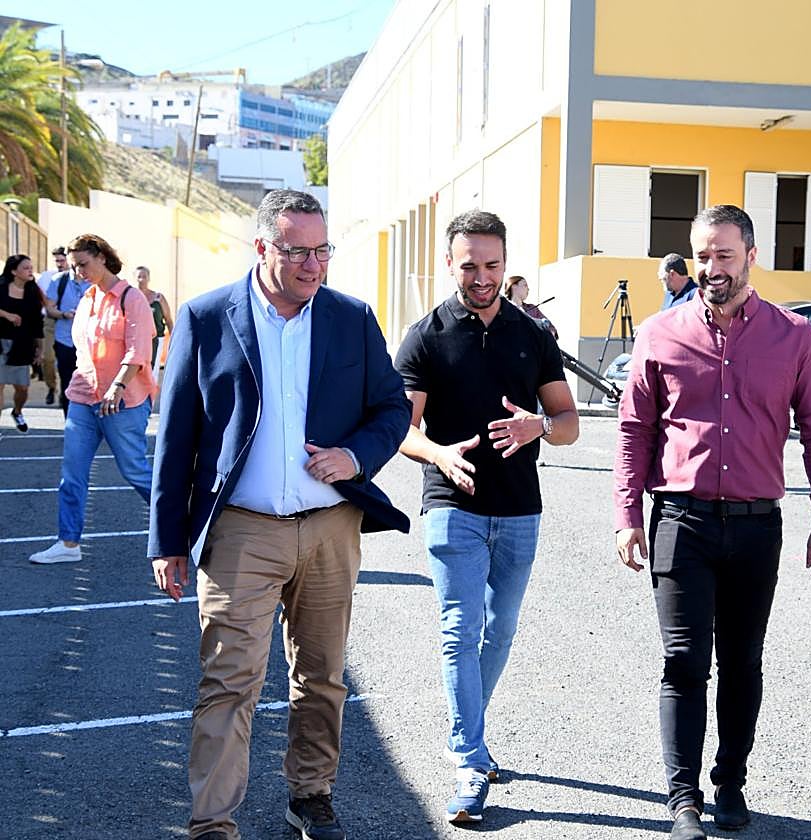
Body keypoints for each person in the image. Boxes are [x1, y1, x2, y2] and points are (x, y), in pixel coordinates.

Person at [148, 189, 413, 840]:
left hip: (330, 528)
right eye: (298, 251)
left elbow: (391, 409)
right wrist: (167, 539)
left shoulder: (351, 318)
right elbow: (176, 432)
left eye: (322, 250)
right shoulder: (207, 317)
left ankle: (311, 793)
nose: (313, 264)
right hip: (241, 529)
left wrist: (356, 456)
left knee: (322, 676)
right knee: (228, 680)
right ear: (263, 247)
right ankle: (212, 822)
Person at [614, 205, 811, 840]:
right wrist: (627, 513)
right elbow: (635, 430)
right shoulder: (660, 333)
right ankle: (682, 798)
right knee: (684, 659)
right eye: (702, 256)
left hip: (755, 526)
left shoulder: (793, 335)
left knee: (743, 660)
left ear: (750, 254)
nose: (712, 269)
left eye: (724, 256)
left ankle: (730, 782)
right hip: (680, 520)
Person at [394, 209, 579, 825]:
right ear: (450, 263)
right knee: (457, 632)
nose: (481, 276)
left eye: (492, 265)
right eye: (469, 265)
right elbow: (402, 427)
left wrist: (539, 427)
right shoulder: (425, 336)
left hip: (520, 509)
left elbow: (569, 424)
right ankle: (470, 758)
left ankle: (467, 728)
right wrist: (438, 453)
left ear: (506, 263)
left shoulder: (532, 334)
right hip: (453, 507)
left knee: (498, 632)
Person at [29, 235, 157, 565]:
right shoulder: (87, 298)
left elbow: (138, 350)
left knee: (136, 472)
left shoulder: (132, 299)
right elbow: (81, 350)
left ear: (101, 257)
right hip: (83, 398)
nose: (79, 272)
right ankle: (68, 544)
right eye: (74, 267)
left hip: (122, 401)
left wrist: (116, 387)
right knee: (71, 475)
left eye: (83, 264)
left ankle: (187, 528)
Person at [0, 254, 46, 432]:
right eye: (26, 268)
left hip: (22, 345)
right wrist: (7, 315)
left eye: (31, 267)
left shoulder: (33, 293)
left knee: (22, 388)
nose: (30, 270)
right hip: (0, 342)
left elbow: (37, 325)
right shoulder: (2, 287)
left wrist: (40, 350)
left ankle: (17, 411)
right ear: (14, 271)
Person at [44, 253, 92, 415]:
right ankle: (70, 420)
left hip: (90, 342)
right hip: (65, 339)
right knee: (67, 381)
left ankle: (86, 420)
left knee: (90, 383)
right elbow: (50, 308)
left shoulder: (94, 281)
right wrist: (64, 314)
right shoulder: (59, 280)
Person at [34, 246, 67, 403]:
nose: (60, 263)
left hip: (68, 321)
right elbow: (38, 296)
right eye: (57, 261)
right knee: (48, 358)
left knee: (67, 358)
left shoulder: (76, 277)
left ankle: (65, 390)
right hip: (49, 321)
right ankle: (51, 387)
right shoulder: (47, 277)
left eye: (62, 260)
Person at [136, 265, 173, 373]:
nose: (141, 279)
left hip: (156, 340)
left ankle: (152, 390)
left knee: (153, 372)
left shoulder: (158, 298)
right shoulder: (132, 298)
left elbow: (169, 320)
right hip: (138, 340)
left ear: (149, 278)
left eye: (144, 276)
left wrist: (174, 339)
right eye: (139, 276)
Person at [502, 274, 558, 339]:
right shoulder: (502, 309)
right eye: (525, 285)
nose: (528, 289)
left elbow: (551, 328)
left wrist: (550, 334)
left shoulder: (532, 308)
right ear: (514, 286)